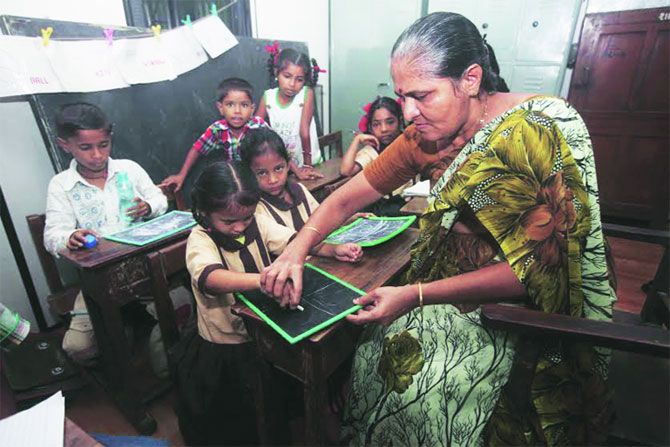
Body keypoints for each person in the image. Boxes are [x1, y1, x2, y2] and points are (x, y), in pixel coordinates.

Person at [259, 12, 617, 446]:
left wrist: (414, 295)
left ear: (470, 80)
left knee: (425, 395)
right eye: (402, 97)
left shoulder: (533, 134)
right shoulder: (424, 136)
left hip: (513, 303)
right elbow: (346, 199)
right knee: (372, 355)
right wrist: (296, 250)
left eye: (422, 95)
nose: (408, 113)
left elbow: (535, 272)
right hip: (441, 278)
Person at [174, 161, 361, 446]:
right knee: (240, 424)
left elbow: (294, 243)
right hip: (228, 346)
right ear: (204, 212)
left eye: (246, 218)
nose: (239, 227)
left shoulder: (258, 223)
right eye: (228, 222)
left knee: (274, 407)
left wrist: (331, 249)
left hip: (263, 335)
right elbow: (210, 278)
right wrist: (264, 280)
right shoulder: (200, 239)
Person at [44, 102, 167, 364]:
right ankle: (124, 336)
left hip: (145, 267)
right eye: (85, 147)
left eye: (103, 145)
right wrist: (70, 237)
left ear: (110, 138)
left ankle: (157, 354)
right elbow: (52, 235)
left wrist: (148, 207)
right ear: (65, 145)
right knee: (78, 348)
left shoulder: (129, 169)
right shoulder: (61, 185)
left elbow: (160, 200)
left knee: (179, 313)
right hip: (99, 279)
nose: (97, 155)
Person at [162, 77, 268, 191]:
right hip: (235, 181)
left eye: (244, 105)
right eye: (230, 105)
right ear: (220, 108)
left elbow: (276, 147)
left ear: (252, 108)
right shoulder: (218, 129)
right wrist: (181, 175)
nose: (237, 111)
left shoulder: (258, 125)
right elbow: (197, 148)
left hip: (259, 178)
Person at [257, 47, 323, 181]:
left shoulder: (306, 94)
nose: (292, 84)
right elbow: (255, 129)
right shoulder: (268, 97)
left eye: (299, 79)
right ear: (276, 72)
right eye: (287, 76)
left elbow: (304, 132)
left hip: (308, 160)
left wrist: (307, 166)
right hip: (283, 164)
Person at [340, 96, 410, 216]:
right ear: (370, 128)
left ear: (400, 120)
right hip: (386, 210)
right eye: (376, 124)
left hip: (412, 204)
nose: (384, 129)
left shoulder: (410, 144)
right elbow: (346, 171)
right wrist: (357, 140)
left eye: (390, 122)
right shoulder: (372, 152)